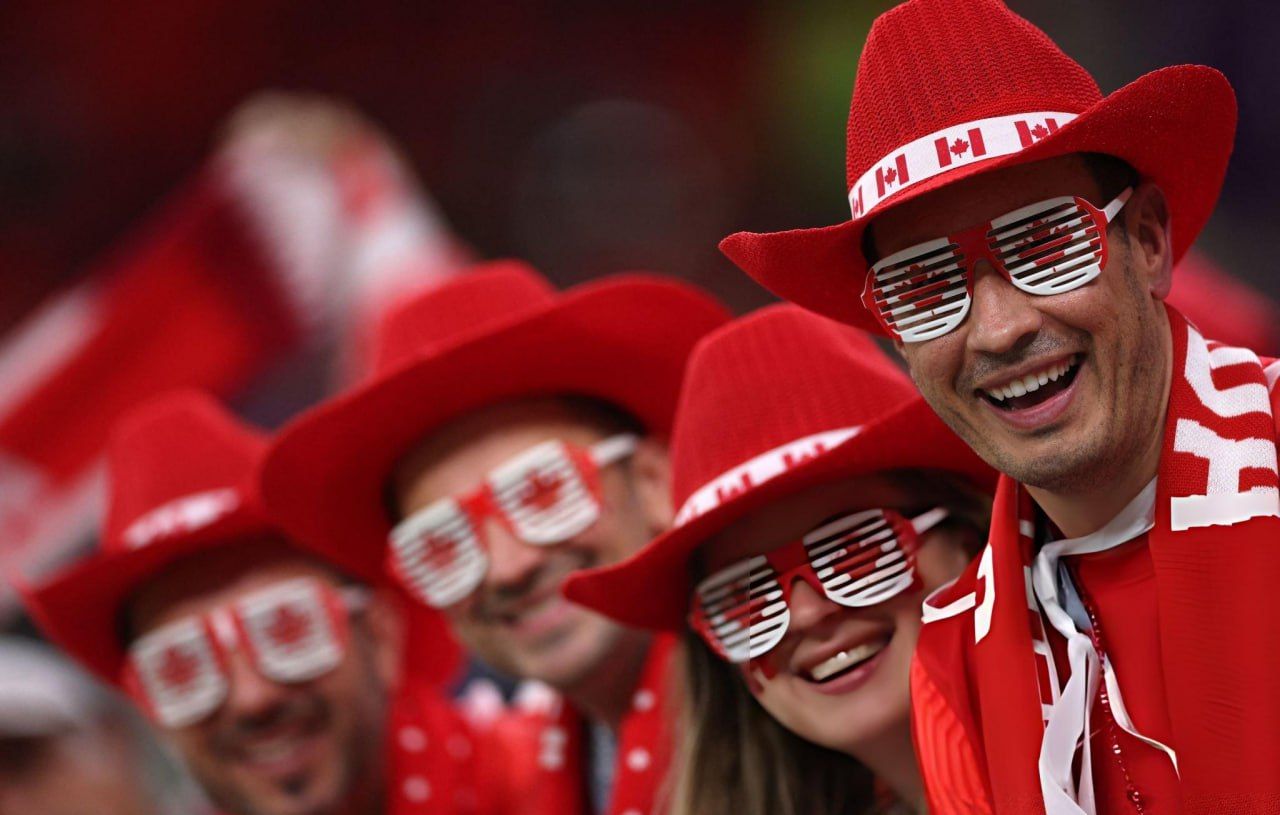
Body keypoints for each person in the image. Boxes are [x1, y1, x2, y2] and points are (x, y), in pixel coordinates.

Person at [718, 0, 1280, 812]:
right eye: (924, 288)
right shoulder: (953, 666)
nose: (1001, 328)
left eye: (1045, 243)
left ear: (1150, 240)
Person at [259, 260, 730, 815]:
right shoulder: (533, 784)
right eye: (443, 543)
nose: (508, 566)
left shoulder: (797, 702)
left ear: (654, 482)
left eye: (543, 492)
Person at [562, 305, 994, 814]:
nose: (807, 613)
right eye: (746, 600)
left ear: (967, 540)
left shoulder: (1104, 753)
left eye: (854, 550)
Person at [23, 391, 476, 815]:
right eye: (183, 668)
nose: (250, 698)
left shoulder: (534, 784)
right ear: (152, 714)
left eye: (286, 629)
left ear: (380, 636)